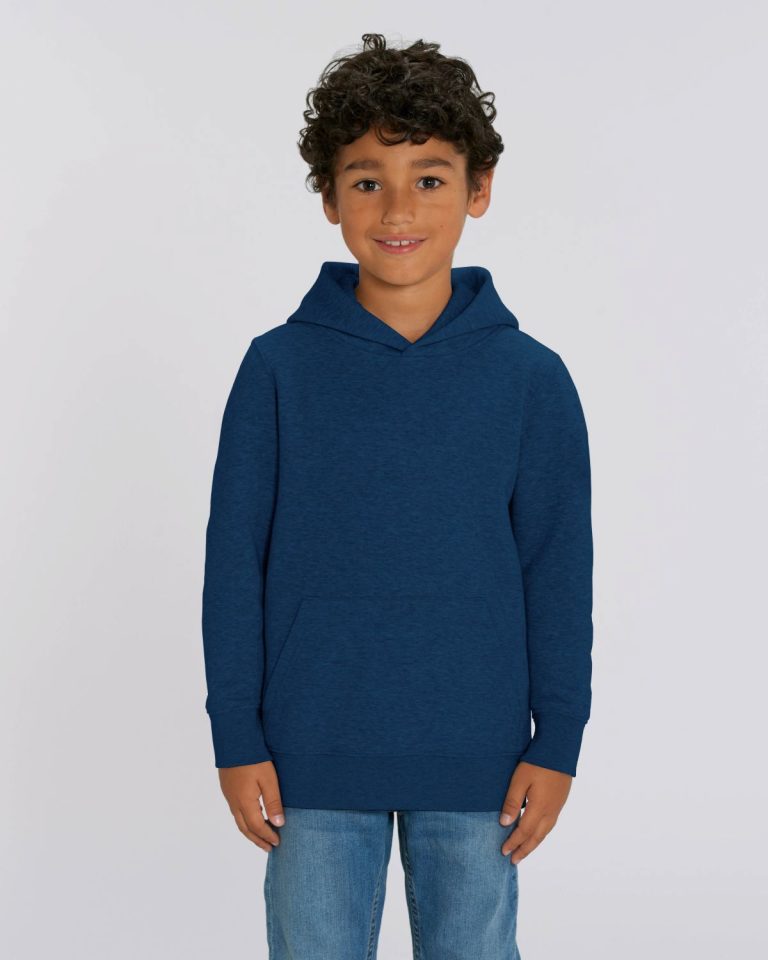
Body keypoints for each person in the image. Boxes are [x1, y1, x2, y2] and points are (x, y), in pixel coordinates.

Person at [201, 33, 593, 960]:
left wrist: (558, 740)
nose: (398, 208)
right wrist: (236, 734)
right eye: (368, 179)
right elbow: (234, 564)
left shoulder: (531, 380)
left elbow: (557, 570)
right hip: (308, 758)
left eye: (430, 177)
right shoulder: (277, 370)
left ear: (479, 188)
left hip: (480, 762)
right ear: (329, 196)